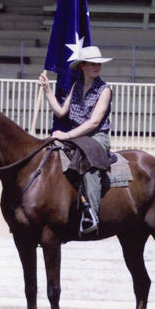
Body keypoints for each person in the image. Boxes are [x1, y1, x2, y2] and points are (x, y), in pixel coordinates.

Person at [38, 45, 112, 234]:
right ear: (82, 66)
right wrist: (47, 90)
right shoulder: (76, 86)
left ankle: (92, 215)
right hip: (77, 136)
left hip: (97, 137)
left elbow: (95, 122)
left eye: (98, 64)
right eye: (92, 63)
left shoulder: (104, 90)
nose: (97, 67)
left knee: (89, 166)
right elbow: (62, 111)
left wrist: (66, 135)